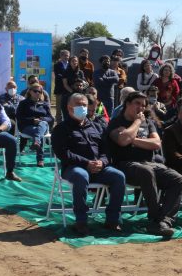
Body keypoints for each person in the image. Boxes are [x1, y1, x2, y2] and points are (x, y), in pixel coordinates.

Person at [106, 91, 182, 238]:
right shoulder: (116, 122)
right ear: (127, 104)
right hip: (125, 165)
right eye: (137, 104)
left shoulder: (148, 123)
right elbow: (122, 141)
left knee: (178, 179)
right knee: (145, 171)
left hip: (150, 163)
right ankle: (155, 219)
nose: (141, 108)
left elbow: (156, 143)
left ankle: (164, 220)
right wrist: (136, 123)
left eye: (143, 105)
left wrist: (132, 139)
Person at [52, 92, 127, 235]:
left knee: (119, 177)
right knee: (81, 177)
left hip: (98, 168)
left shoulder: (97, 127)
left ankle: (113, 219)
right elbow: (63, 153)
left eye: (84, 105)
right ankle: (81, 221)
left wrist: (102, 162)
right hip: (74, 168)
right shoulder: (61, 129)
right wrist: (86, 163)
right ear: (69, 108)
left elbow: (107, 151)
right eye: (78, 105)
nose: (82, 108)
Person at [16, 83, 54, 167]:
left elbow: (51, 118)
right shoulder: (23, 103)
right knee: (37, 132)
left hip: (43, 125)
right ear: (30, 91)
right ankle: (40, 159)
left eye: (40, 91)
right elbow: (19, 117)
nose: (38, 93)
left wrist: (41, 120)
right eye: (35, 91)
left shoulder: (44, 104)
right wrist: (32, 121)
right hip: (27, 126)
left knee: (42, 125)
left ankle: (36, 142)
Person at [53, 49, 71, 122]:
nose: (67, 57)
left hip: (69, 90)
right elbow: (58, 75)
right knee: (59, 109)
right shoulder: (57, 65)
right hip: (60, 89)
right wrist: (67, 78)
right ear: (61, 56)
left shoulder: (70, 64)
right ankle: (58, 125)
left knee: (68, 108)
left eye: (68, 56)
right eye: (65, 56)